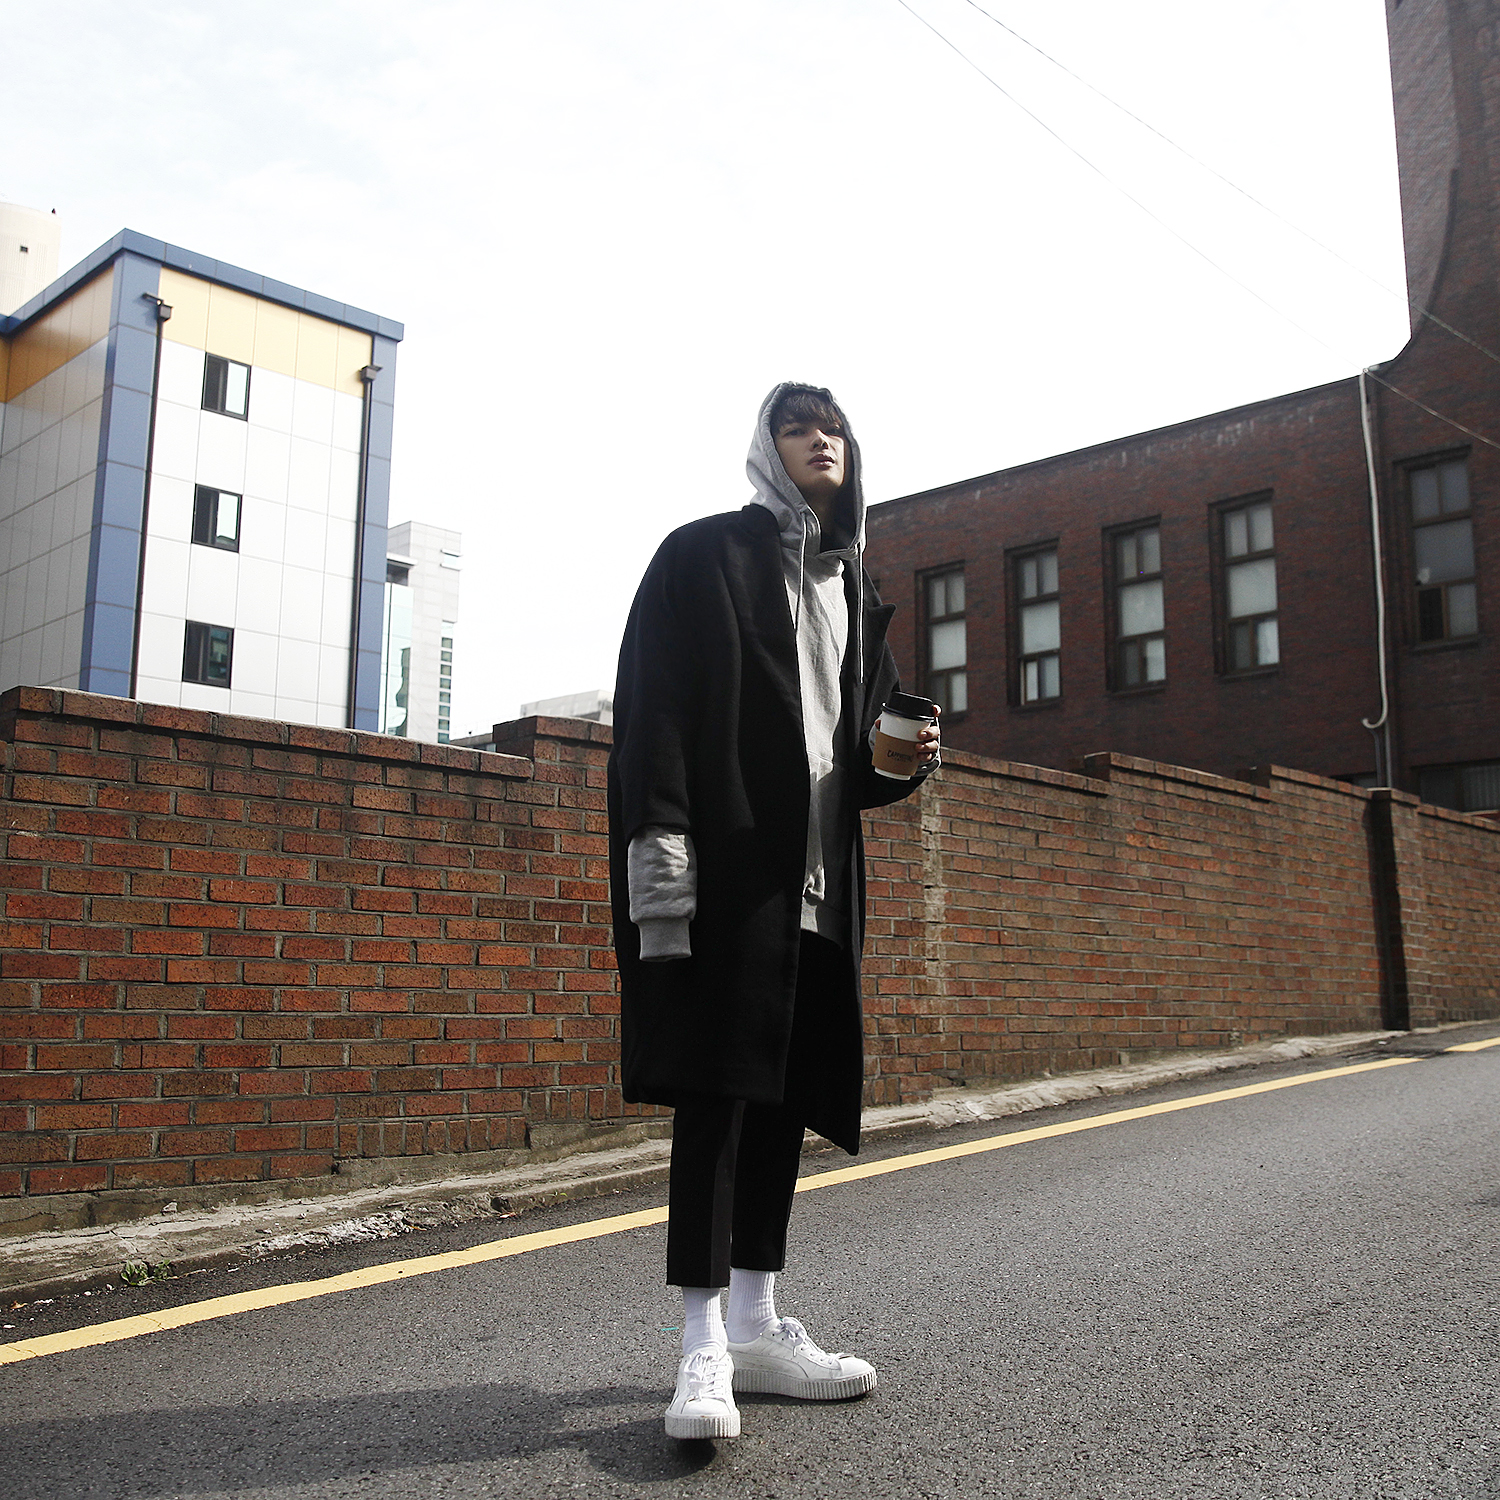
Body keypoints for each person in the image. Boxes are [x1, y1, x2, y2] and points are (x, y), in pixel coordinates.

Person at [607, 382, 939, 1441]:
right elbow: (656, 714)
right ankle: (700, 1345)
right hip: (728, 874)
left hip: (820, 886)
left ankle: (756, 1322)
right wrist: (663, 862)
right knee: (717, 1097)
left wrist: (903, 764)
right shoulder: (702, 556)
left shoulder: (857, 588)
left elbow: (856, 761)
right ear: (766, 449)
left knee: (783, 1098)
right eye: (797, 427)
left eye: (832, 427)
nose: (819, 440)